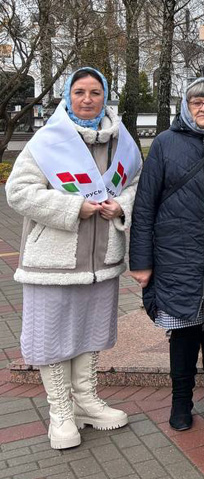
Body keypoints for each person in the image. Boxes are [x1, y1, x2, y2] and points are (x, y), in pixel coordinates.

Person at [7, 68, 140, 449]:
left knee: (89, 334)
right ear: (67, 96)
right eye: (79, 92)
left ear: (105, 97)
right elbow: (18, 191)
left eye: (95, 92)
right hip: (54, 262)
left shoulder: (122, 143)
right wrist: (73, 207)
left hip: (101, 261)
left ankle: (86, 402)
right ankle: (60, 412)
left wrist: (121, 205)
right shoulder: (46, 142)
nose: (87, 99)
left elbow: (136, 186)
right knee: (51, 339)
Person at [130, 78, 204, 431]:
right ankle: (180, 401)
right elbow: (144, 205)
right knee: (183, 335)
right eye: (197, 102)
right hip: (175, 258)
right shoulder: (166, 144)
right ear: (186, 105)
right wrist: (141, 261)